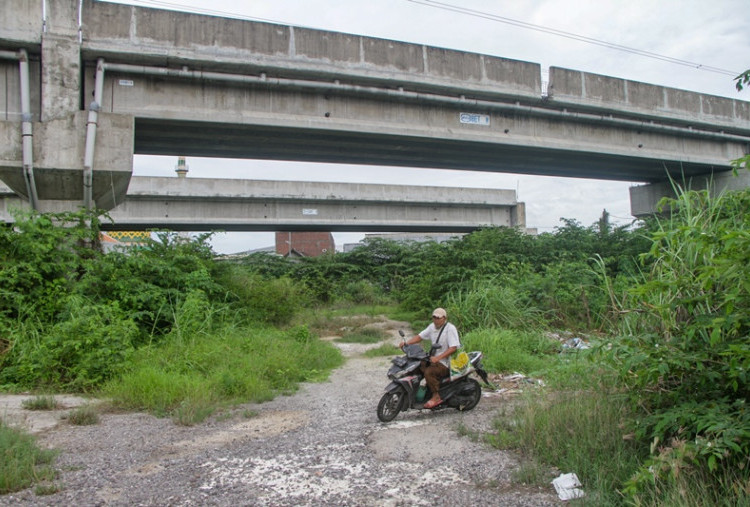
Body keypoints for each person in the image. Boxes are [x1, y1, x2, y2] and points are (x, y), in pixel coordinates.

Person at [399, 307, 460, 409]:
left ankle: (436, 396)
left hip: (443, 363)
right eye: (434, 317)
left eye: (438, 318)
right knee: (415, 366)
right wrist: (406, 343)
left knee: (429, 372)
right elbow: (420, 337)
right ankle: (410, 392)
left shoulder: (450, 329)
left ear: (444, 318)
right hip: (432, 359)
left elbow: (453, 348)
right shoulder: (432, 327)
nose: (436, 320)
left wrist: (438, 358)